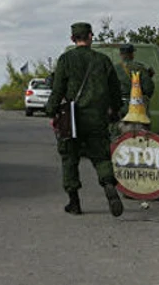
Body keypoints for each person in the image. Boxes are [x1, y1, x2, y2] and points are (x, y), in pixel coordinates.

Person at [46, 22, 124, 217]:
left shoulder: (66, 59)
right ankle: (108, 185)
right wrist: (115, 111)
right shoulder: (103, 60)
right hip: (97, 118)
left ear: (72, 39)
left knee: (69, 158)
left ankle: (74, 202)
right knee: (101, 156)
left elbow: (58, 89)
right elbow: (115, 90)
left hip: (71, 119)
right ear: (91, 36)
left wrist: (51, 110)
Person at [115, 44, 155, 120]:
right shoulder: (140, 67)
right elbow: (149, 88)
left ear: (120, 54)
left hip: (120, 107)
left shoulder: (114, 68)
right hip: (137, 106)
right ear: (132, 54)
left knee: (116, 129)